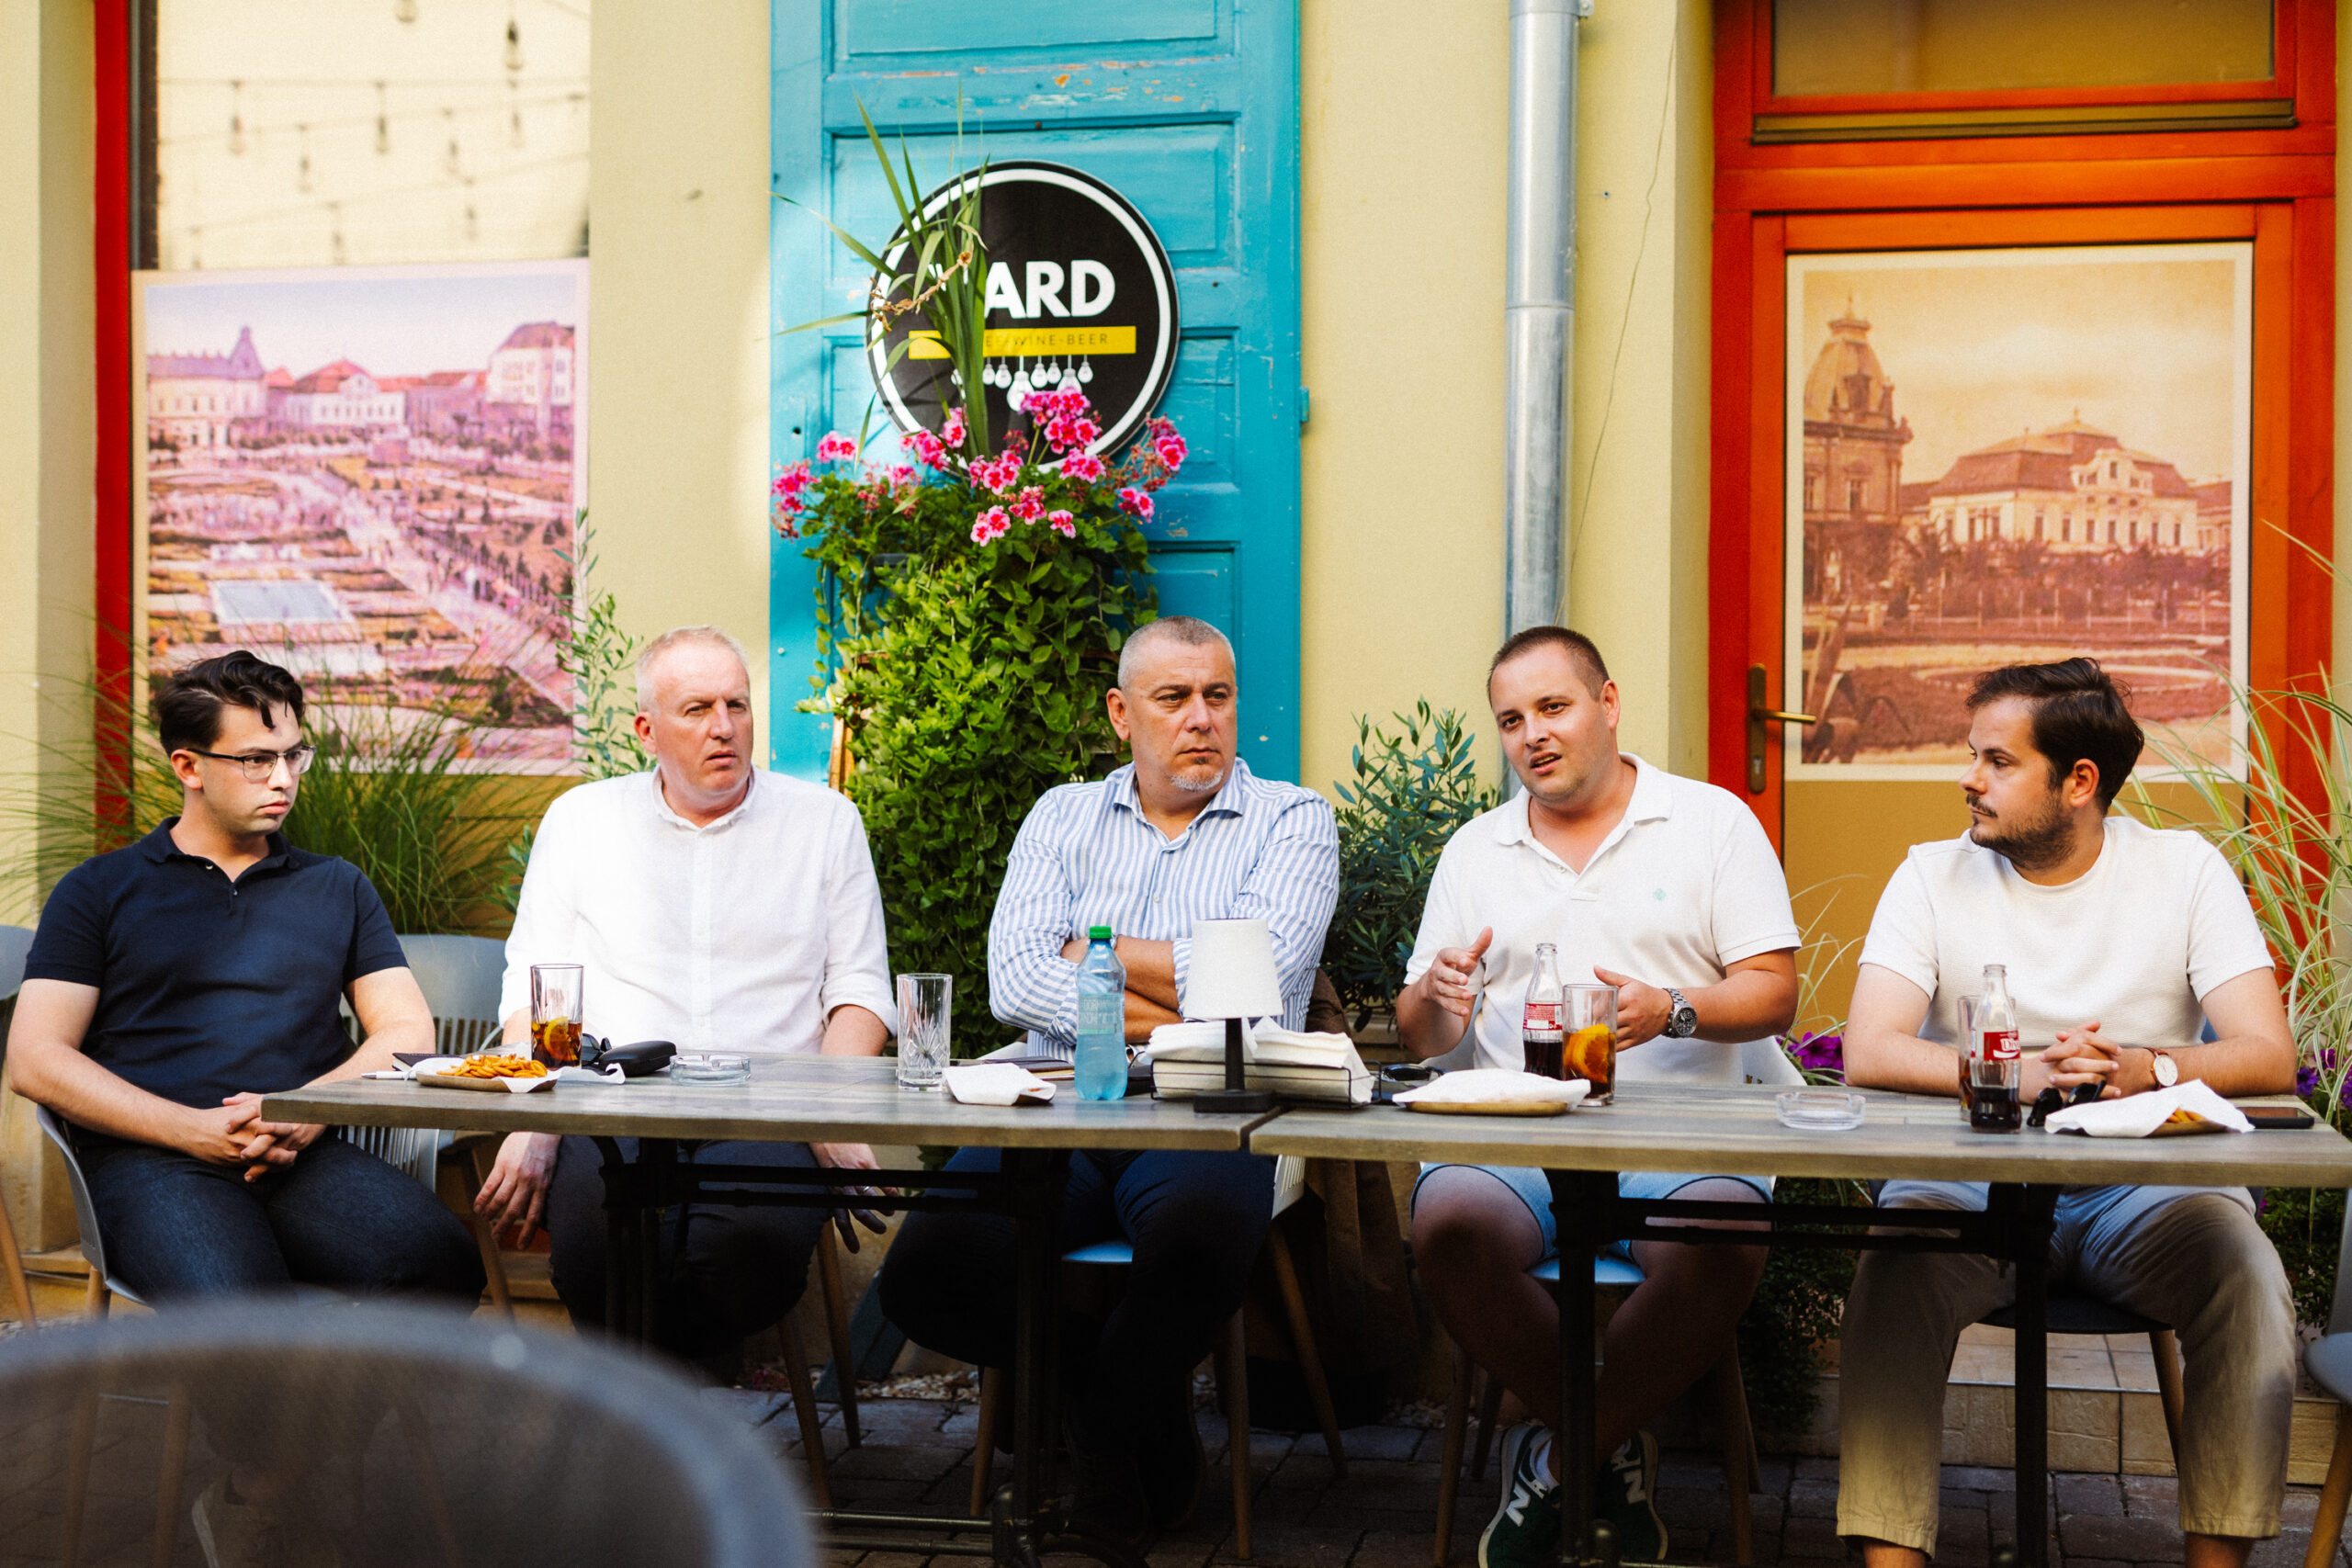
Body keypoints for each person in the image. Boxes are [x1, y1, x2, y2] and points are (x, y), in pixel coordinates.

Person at [7, 649, 485, 1561]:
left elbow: (404, 1030)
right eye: (257, 759)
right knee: (241, 1315)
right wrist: (188, 1129)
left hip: (299, 1152)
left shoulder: (335, 886)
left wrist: (309, 1106)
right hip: (152, 1160)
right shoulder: (101, 890)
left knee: (437, 1264)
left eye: (294, 754)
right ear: (188, 765)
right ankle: (284, 1490)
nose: (284, 778)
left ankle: (258, 1485)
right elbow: (36, 1058)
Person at [876, 615, 1338, 1545]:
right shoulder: (1062, 815)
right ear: (1122, 714)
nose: (1202, 717)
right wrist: (1194, 984)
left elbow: (1259, 985)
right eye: (1174, 698)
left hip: (1212, 1102)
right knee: (927, 1274)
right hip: (1053, 1096)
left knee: (1198, 1241)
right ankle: (1117, 1407)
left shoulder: (1293, 819)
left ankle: (1102, 1445)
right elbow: (1014, 980)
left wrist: (1092, 956)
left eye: (1217, 695)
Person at [1838, 657, 2298, 1568]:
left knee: (2246, 1275)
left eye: (1998, 761)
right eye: (1974, 755)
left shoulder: (2183, 871)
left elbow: (2266, 1053)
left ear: (2079, 781)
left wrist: (2144, 1067)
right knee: (1894, 1272)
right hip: (1974, 1187)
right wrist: (2012, 1077)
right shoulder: (1931, 874)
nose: (1968, 779)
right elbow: (1870, 1048)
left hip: (2148, 1192)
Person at [1395, 626, 1801, 1568]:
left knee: (1721, 1240)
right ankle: (1606, 1451)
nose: (1532, 734)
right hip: (1514, 1138)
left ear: (1608, 704)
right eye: (1510, 719)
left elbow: (1774, 992)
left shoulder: (1710, 822)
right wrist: (1435, 996)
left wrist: (1674, 1009)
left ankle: (1556, 1458)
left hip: (1685, 1135)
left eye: (1553, 707)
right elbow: (1422, 1037)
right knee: (1448, 1230)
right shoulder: (1476, 850)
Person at [475, 625, 898, 1371]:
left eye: (737, 704)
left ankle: (646, 1414)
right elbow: (539, 986)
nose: (724, 726)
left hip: (770, 1103)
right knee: (595, 1255)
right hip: (609, 1099)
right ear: (647, 730)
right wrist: (537, 1118)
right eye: (698, 708)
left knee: (748, 1253)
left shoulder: (825, 822)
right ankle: (683, 1412)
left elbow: (860, 993)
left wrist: (825, 1110)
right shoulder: (581, 820)